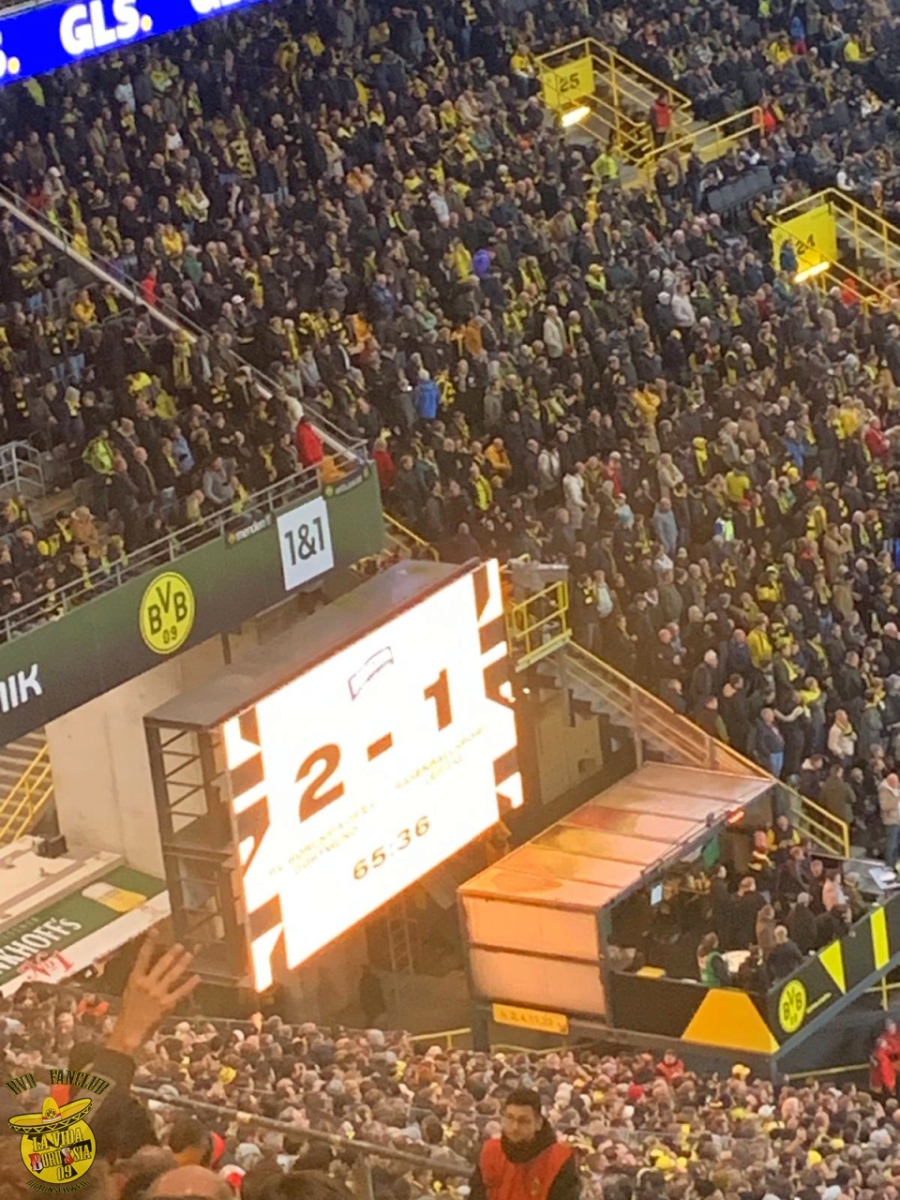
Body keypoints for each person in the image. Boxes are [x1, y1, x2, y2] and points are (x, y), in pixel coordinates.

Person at [469, 1087, 580, 1200]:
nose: (515, 1127)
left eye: (523, 1121)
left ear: (538, 1123)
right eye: (510, 1118)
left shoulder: (558, 1160)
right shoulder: (491, 1151)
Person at [870, 1018, 900, 1097]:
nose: (891, 1029)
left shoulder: (898, 1035)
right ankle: (889, 1089)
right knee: (882, 1063)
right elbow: (878, 1054)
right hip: (890, 1063)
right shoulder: (883, 1039)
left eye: (893, 1027)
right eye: (889, 1028)